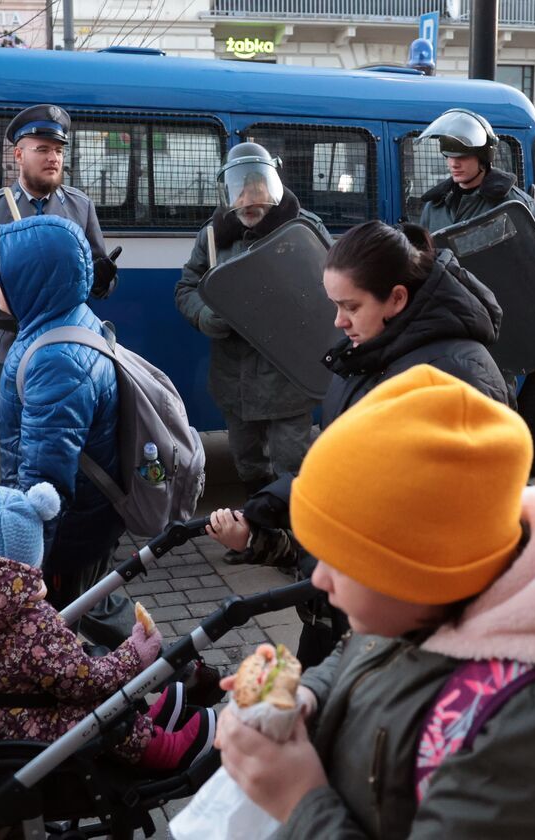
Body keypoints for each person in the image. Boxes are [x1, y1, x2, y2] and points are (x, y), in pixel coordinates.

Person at [214, 365, 535, 838]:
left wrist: (299, 802)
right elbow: (359, 656)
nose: (320, 579)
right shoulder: (430, 608)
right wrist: (308, 699)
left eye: (341, 560)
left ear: (418, 569)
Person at [206, 220, 510, 668]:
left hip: (398, 633)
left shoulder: (455, 377)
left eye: (350, 305)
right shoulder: (375, 352)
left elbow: (428, 525)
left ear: (398, 299)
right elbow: (353, 468)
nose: (338, 320)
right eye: (334, 304)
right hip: (345, 607)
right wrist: (283, 504)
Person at [0, 481, 216, 770]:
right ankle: (152, 747)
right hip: (20, 728)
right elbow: (81, 681)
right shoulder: (31, 621)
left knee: (87, 671)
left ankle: (143, 726)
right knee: (98, 706)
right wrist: (133, 655)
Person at [0, 213, 133, 647]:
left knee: (64, 629)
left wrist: (24, 565)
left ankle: (145, 682)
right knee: (98, 602)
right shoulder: (63, 319)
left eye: (1, 274)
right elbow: (49, 411)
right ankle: (147, 666)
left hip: (69, 534)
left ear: (31, 278)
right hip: (88, 523)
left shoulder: (56, 356)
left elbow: (46, 481)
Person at [175, 142, 329, 496]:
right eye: (239, 189)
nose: (248, 199)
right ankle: (260, 538)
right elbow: (186, 287)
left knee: (292, 464)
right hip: (235, 379)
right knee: (247, 463)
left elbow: (332, 290)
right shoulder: (214, 235)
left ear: (270, 184)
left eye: (256, 187)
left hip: (287, 376)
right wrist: (205, 314)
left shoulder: (302, 230)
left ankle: (296, 542)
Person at [0, 104, 117, 387]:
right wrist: (2, 293)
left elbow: (101, 280)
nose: (53, 158)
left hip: (69, 346)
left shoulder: (81, 207)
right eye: (42, 149)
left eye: (59, 151)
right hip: (11, 348)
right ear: (19, 155)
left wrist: (103, 281)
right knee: (13, 428)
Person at [416, 108, 535, 240]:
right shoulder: (435, 206)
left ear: (483, 158)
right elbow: (423, 253)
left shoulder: (515, 205)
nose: (453, 164)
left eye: (462, 157)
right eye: (449, 156)